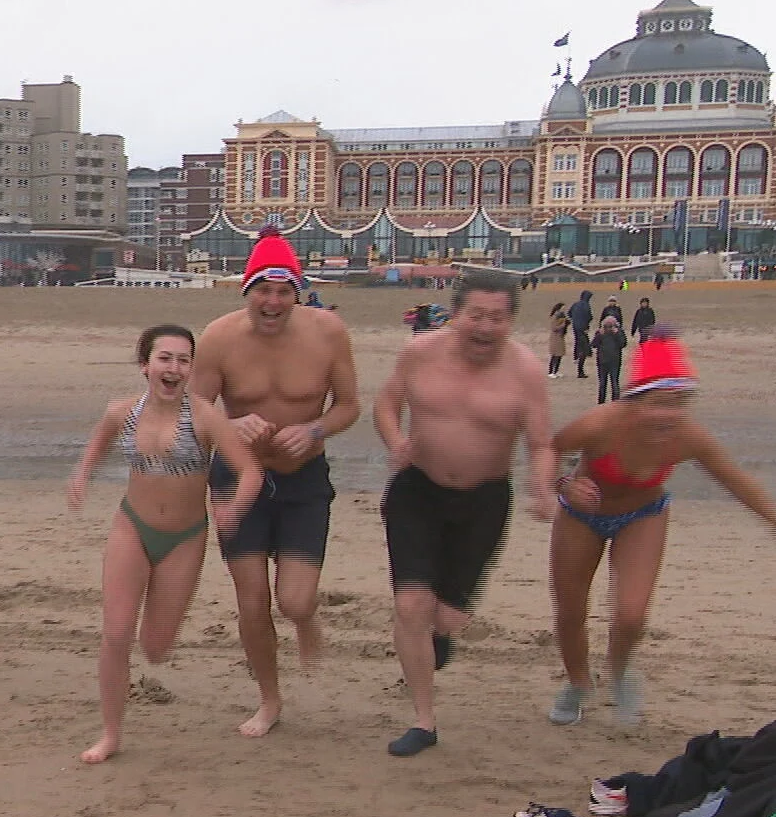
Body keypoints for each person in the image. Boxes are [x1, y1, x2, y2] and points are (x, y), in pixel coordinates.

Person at [547, 332, 776, 727]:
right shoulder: (600, 425)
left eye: (679, 403)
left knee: (631, 615)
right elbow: (548, 449)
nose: (669, 414)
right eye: (659, 403)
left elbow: (736, 480)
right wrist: (563, 484)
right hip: (580, 517)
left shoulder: (687, 437)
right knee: (570, 611)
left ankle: (619, 671)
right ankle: (577, 684)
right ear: (634, 401)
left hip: (642, 515)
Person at [372, 270, 554, 757]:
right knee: (411, 606)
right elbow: (386, 406)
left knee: (448, 620)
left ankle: (438, 637)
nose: (484, 326)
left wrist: (543, 486)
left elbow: (540, 444)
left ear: (511, 321)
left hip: (483, 502)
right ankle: (423, 722)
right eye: (475, 315)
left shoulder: (526, 371)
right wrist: (396, 441)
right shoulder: (419, 353)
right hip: (417, 492)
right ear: (455, 315)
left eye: (496, 318)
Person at [190, 228, 360, 738]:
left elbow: (350, 406)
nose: (273, 301)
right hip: (238, 481)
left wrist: (314, 429)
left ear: (298, 292)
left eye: (284, 290)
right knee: (251, 601)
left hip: (303, 478)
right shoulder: (219, 337)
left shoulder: (328, 332)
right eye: (263, 289)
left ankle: (305, 621)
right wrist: (230, 426)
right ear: (246, 291)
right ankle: (269, 699)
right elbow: (193, 413)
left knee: (296, 600)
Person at [67, 324, 262, 764]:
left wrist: (232, 509)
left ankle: (150, 646)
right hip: (131, 527)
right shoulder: (122, 413)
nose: (174, 368)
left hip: (184, 539)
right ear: (145, 366)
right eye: (165, 359)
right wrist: (81, 476)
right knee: (115, 634)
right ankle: (111, 733)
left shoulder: (207, 417)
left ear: (191, 368)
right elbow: (96, 447)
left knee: (154, 647)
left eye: (183, 360)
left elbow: (250, 471)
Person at [593, 315, 629, 405]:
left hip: (614, 361)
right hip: (603, 361)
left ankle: (615, 402)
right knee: (603, 383)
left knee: (614, 382)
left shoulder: (619, 332)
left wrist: (617, 334)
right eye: (607, 325)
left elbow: (623, 344)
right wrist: (598, 335)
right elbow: (593, 344)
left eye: (610, 325)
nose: (609, 327)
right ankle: (601, 402)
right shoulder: (600, 333)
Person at [568, 290, 594, 379]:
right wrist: (586, 325)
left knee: (577, 341)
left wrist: (575, 320)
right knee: (584, 346)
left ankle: (576, 356)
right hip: (583, 328)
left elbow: (569, 313)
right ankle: (580, 366)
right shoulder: (586, 305)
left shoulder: (575, 304)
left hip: (575, 326)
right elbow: (589, 316)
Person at [546, 302, 569, 378]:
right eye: (563, 308)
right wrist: (563, 325)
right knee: (555, 355)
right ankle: (550, 372)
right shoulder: (555, 316)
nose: (564, 309)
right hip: (556, 338)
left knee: (559, 355)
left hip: (560, 337)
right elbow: (554, 328)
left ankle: (556, 371)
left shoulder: (562, 316)